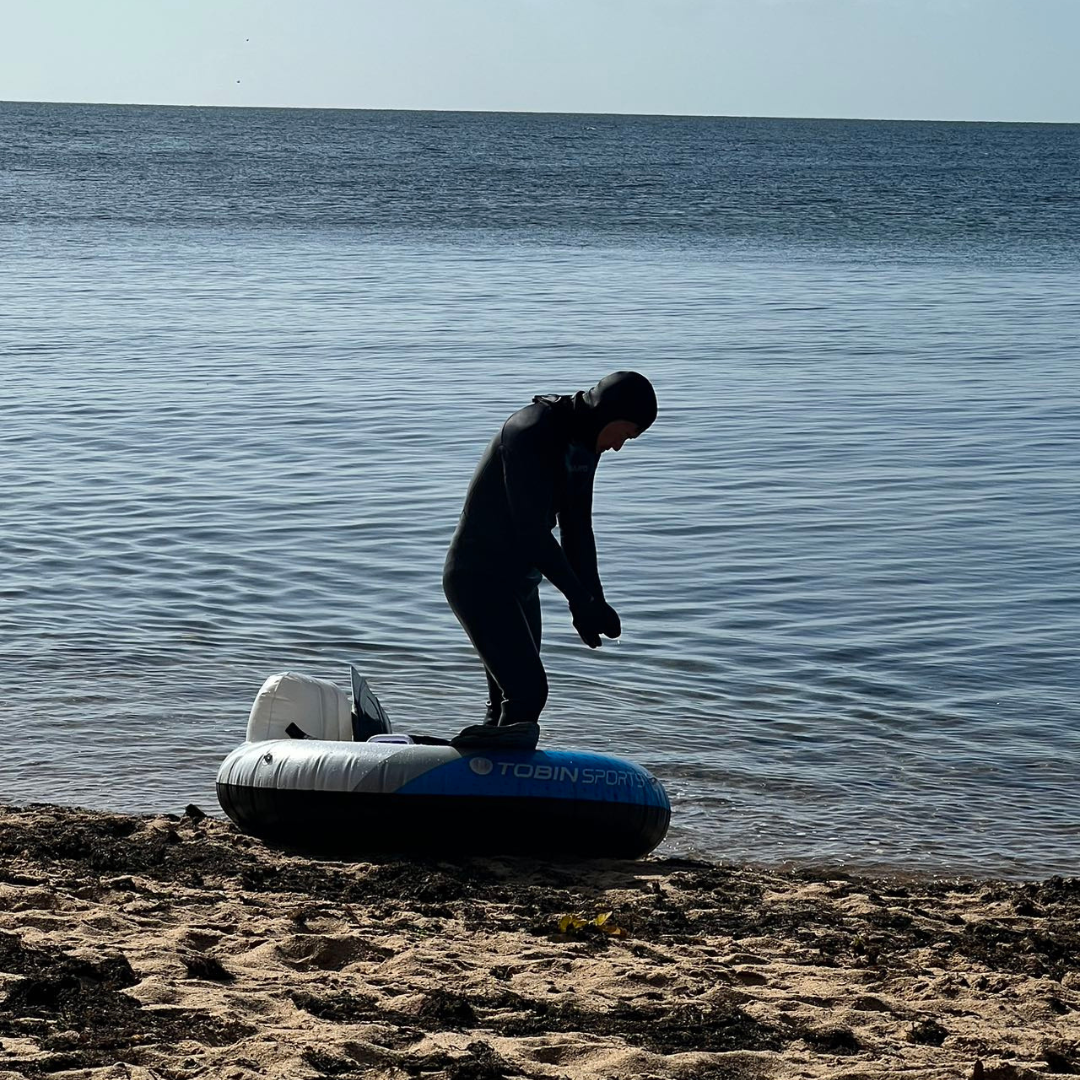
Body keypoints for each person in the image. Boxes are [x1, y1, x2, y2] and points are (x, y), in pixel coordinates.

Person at [443, 371, 658, 749]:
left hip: (520, 585)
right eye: (625, 434)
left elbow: (577, 531)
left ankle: (481, 781)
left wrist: (595, 599)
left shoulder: (583, 444)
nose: (620, 446)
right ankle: (476, 779)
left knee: (511, 700)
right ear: (610, 414)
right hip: (478, 578)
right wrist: (579, 599)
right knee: (528, 692)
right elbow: (531, 533)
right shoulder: (529, 430)